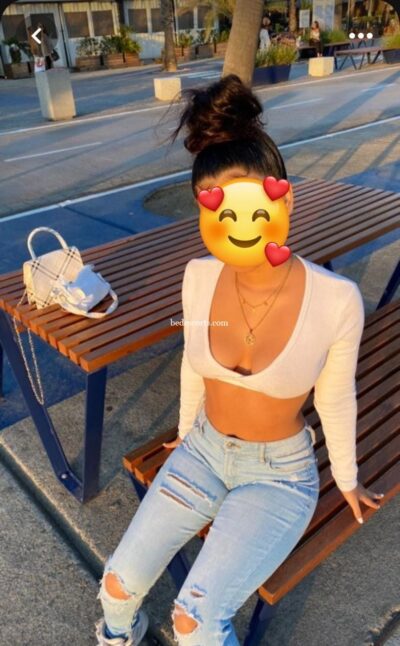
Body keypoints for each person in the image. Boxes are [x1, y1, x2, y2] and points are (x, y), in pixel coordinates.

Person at [94, 74, 384, 646]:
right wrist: (184, 431)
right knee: (116, 588)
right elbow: (192, 361)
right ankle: (116, 636)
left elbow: (334, 395)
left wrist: (347, 479)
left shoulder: (335, 299)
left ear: (283, 199)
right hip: (202, 450)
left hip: (278, 475)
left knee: (193, 621)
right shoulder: (198, 278)